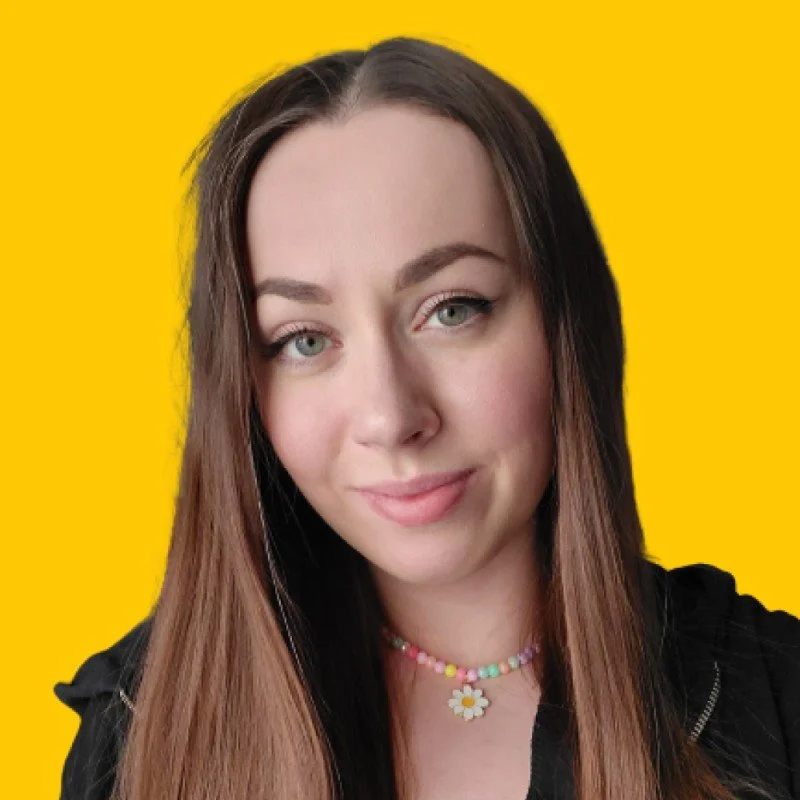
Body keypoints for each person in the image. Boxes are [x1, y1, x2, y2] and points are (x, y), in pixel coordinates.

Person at [54, 36, 799, 800]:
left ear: (567, 327)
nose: (389, 415)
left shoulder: (774, 699)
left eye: (452, 310)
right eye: (304, 339)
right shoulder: (137, 735)